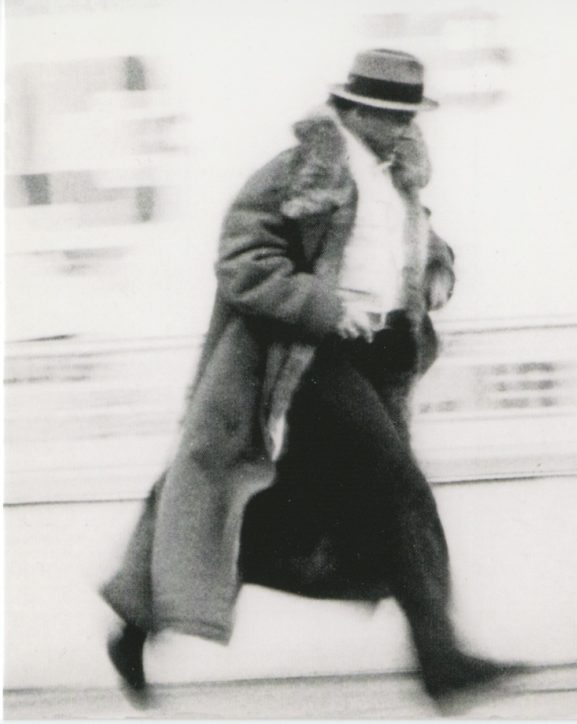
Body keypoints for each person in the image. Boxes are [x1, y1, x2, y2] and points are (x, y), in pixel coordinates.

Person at [101, 48, 515, 707]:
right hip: (306, 361)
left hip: (375, 364)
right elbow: (243, 261)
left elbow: (418, 246)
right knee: (401, 490)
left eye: (409, 115)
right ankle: (441, 661)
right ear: (353, 110)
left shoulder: (397, 180)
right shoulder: (299, 171)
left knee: (285, 510)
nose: (403, 126)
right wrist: (324, 308)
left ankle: (137, 621)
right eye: (390, 114)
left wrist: (437, 273)